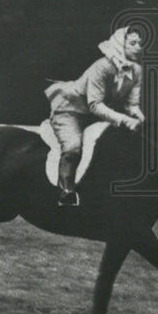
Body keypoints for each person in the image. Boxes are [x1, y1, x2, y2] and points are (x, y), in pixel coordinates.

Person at [45, 27, 144, 206]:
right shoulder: (102, 66)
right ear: (120, 45)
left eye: (140, 43)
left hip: (96, 114)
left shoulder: (136, 70)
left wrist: (140, 118)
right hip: (70, 110)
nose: (139, 47)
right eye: (133, 43)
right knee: (73, 146)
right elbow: (95, 104)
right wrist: (125, 120)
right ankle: (66, 192)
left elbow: (132, 104)